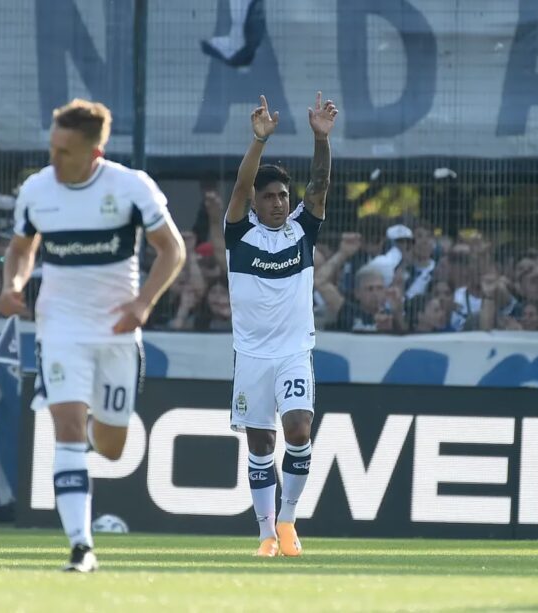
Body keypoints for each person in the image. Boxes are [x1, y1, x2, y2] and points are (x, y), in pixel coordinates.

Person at [0, 98, 186, 572]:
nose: (54, 159)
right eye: (52, 148)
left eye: (65, 151)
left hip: (116, 332)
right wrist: (12, 285)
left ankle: (90, 432)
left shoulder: (130, 186)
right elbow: (21, 248)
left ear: (94, 152)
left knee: (113, 447)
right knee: (66, 428)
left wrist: (143, 303)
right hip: (59, 328)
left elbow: (172, 250)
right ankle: (81, 547)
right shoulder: (37, 189)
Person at [224, 92, 336, 557]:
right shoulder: (239, 232)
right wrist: (258, 140)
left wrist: (320, 139)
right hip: (251, 355)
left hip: (293, 352)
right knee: (260, 444)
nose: (277, 202)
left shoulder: (301, 230)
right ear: (255, 201)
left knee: (298, 430)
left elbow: (320, 184)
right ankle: (266, 533)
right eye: (269, 196)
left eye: (283, 196)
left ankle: (287, 520)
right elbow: (239, 187)